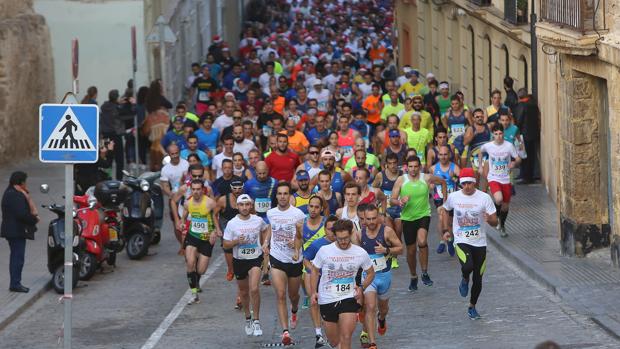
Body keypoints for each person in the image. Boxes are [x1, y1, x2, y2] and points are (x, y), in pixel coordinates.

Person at [439, 168, 498, 320]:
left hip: (480, 242)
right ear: (461, 184)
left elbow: (495, 221)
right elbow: (445, 210)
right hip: (461, 240)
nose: (467, 186)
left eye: (470, 183)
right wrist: (446, 230)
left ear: (475, 183)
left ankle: (472, 306)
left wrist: (489, 219)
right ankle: (465, 278)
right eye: (464, 183)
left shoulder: (484, 198)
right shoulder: (454, 197)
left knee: (478, 278)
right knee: (467, 266)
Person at [309, 219, 375, 349]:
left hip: (348, 297)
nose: (343, 241)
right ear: (335, 236)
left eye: (345, 238)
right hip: (327, 299)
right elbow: (315, 270)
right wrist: (313, 292)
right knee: (335, 343)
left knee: (346, 337)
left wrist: (362, 287)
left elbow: (371, 273)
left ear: (351, 234)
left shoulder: (360, 252)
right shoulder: (324, 250)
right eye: (339, 239)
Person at [390, 156, 446, 292]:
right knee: (410, 250)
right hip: (408, 218)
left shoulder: (426, 178)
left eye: (416, 166)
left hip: (423, 215)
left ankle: (425, 272)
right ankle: (413, 275)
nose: (413, 169)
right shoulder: (401, 180)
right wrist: (400, 201)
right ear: (406, 167)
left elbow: (443, 182)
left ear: (419, 167)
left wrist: (445, 202)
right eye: (410, 166)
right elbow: (392, 200)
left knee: (422, 241)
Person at [263, 182, 305, 345]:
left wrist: (295, 244)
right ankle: (285, 332)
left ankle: (294, 310)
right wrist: (266, 242)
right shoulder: (271, 213)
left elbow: (303, 236)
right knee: (280, 294)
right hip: (277, 257)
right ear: (276, 196)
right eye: (279, 193)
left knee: (293, 295)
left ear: (290, 196)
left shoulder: (298, 214)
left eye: (285, 193)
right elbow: (271, 228)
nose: (282, 196)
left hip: (294, 259)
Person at [223, 194, 270, 336]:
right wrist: (237, 241)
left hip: (255, 258)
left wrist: (265, 242)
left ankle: (256, 320)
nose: (244, 207)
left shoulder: (258, 220)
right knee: (244, 292)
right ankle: (248, 318)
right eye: (242, 205)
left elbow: (267, 229)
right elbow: (225, 244)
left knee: (254, 288)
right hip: (239, 260)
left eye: (247, 204)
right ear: (237, 207)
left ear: (251, 206)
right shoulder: (232, 223)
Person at [359, 204, 403, 349]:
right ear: (363, 219)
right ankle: (372, 343)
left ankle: (382, 319)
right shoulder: (360, 234)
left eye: (374, 218)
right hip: (369, 277)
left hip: (384, 276)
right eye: (368, 219)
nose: (371, 222)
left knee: (383, 309)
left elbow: (400, 248)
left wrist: (386, 249)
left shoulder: (387, 231)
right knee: (370, 307)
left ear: (378, 217)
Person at [178, 179, 219, 304]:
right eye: (193, 189)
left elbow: (215, 217)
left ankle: (196, 276)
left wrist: (215, 231)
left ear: (202, 190)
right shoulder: (188, 203)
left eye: (198, 189)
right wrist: (182, 224)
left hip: (206, 239)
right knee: (190, 263)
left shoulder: (210, 203)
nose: (195, 192)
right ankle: (194, 293)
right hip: (193, 236)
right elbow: (184, 217)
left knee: (201, 270)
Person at [303, 215, 339, 348]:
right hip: (316, 278)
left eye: (336, 229)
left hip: (333, 281)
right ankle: (318, 334)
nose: (333, 232)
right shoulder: (317, 244)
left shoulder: (343, 244)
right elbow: (306, 258)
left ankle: (333, 334)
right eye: (330, 229)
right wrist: (313, 271)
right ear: (324, 229)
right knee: (314, 302)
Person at [479, 124, 521, 237]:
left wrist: (514, 163)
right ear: (493, 134)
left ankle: (502, 225)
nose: (498, 136)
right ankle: (496, 216)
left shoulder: (509, 146)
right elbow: (480, 151)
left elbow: (518, 158)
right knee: (498, 199)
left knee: (505, 206)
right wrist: (480, 166)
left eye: (500, 133)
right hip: (493, 178)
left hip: (506, 179)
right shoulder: (488, 146)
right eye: (496, 134)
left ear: (503, 133)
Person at [1, 171, 39, 293]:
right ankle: (15, 284)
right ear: (21, 182)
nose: (26, 184)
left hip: (15, 231)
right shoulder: (14, 195)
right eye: (25, 181)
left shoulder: (14, 193)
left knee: (17, 257)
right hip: (15, 231)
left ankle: (15, 282)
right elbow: (21, 214)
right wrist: (34, 219)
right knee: (17, 258)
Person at [431, 145, 460, 255]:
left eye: (445, 154)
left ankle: (449, 239)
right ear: (438, 155)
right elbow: (429, 182)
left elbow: (462, 181)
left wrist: (453, 178)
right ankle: (443, 241)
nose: (443, 157)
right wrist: (431, 186)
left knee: (451, 222)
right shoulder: (433, 169)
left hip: (452, 198)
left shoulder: (455, 167)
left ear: (449, 155)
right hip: (439, 197)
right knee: (441, 217)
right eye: (441, 155)